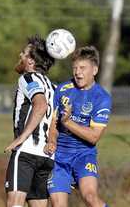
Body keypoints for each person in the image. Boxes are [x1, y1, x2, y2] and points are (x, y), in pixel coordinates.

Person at [44, 46, 112, 207]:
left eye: (82, 68)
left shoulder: (102, 98)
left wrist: (68, 122)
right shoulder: (62, 89)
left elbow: (93, 137)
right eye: (75, 68)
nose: (77, 72)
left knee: (90, 197)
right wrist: (52, 140)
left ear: (94, 70)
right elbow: (53, 124)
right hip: (59, 158)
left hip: (84, 155)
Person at [4, 35, 56, 207]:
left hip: (26, 153)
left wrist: (21, 138)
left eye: (24, 53)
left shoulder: (27, 78)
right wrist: (52, 141)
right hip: (46, 157)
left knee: (15, 204)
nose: (20, 55)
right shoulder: (53, 87)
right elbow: (56, 119)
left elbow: (40, 104)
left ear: (32, 62)